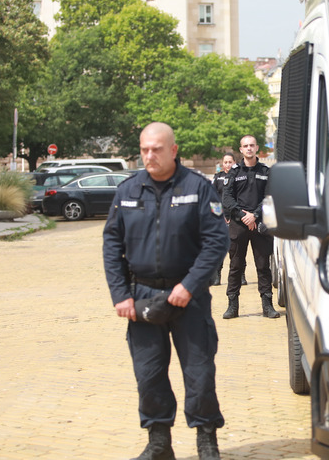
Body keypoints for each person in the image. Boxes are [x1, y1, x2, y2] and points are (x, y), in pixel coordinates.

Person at [103, 122, 229, 460]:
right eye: (144, 149)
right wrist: (121, 295)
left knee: (199, 373)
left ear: (173, 150)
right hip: (142, 297)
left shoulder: (197, 188)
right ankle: (159, 443)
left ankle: (207, 441)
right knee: (148, 374)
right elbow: (112, 244)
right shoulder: (128, 191)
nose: (149, 155)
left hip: (189, 297)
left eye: (156, 149)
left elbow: (217, 242)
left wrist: (189, 286)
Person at [220, 135, 279, 320]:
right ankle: (232, 305)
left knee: (263, 266)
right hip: (239, 226)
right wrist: (243, 215)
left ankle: (267, 304)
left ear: (257, 148)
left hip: (260, 225)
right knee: (236, 266)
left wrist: (255, 214)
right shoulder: (234, 172)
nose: (249, 148)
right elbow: (227, 198)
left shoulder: (266, 171)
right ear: (241, 149)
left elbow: (270, 197)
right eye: (245, 146)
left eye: (252, 145)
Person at [210, 153, 236, 286]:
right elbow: (213, 199)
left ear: (234, 162)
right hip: (220, 219)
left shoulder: (238, 176)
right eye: (225, 162)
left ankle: (240, 275)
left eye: (230, 162)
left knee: (235, 249)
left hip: (235, 218)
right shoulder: (218, 178)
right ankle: (217, 275)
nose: (227, 164)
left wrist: (232, 215)